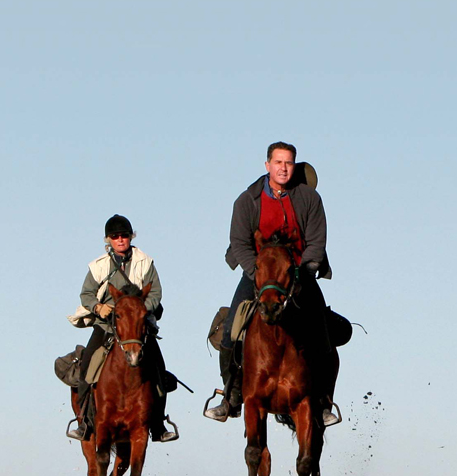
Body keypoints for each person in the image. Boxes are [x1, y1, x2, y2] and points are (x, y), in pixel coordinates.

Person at [204, 141, 341, 426]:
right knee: (231, 332)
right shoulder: (246, 200)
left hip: (298, 275)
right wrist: (256, 271)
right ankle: (230, 397)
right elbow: (239, 243)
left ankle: (323, 402)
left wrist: (306, 270)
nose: (283, 168)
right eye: (278, 162)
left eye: (288, 163)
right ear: (267, 165)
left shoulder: (310, 199)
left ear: (294, 166)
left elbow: (316, 242)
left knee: (323, 334)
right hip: (259, 276)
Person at [66, 214, 179, 442]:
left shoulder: (145, 262)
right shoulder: (98, 266)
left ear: (130, 237)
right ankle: (85, 422)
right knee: (88, 366)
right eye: (115, 236)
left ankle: (158, 425)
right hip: (106, 326)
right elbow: (86, 294)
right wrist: (98, 308)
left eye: (124, 236)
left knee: (158, 368)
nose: (120, 240)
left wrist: (137, 311)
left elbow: (155, 292)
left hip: (137, 327)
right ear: (108, 240)